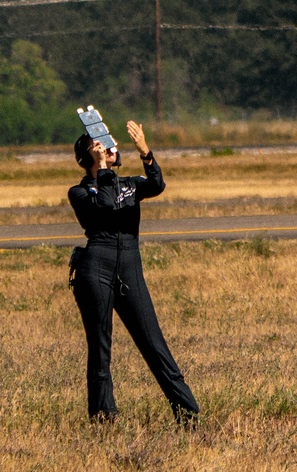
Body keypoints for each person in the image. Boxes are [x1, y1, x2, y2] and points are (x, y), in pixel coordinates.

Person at [68, 118, 199, 424]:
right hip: (95, 269)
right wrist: (101, 170)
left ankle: (187, 412)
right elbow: (104, 206)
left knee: (153, 342)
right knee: (100, 347)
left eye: (111, 143)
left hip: (129, 268)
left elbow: (156, 184)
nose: (111, 147)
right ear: (88, 155)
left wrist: (145, 151)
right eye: (101, 144)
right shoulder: (79, 192)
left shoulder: (130, 184)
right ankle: (103, 416)